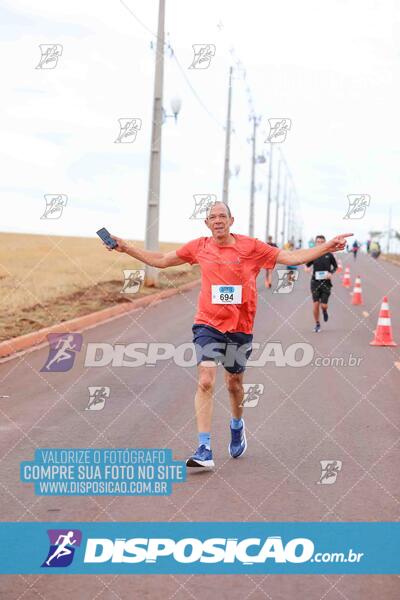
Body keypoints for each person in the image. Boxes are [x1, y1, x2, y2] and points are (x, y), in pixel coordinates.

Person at [103, 202, 351, 468]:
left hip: (240, 328)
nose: (218, 220)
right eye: (212, 217)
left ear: (232, 220)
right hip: (207, 324)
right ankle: (204, 448)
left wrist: (326, 246)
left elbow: (290, 258)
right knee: (206, 380)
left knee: (234, 384)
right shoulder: (199, 247)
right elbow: (163, 261)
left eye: (222, 216)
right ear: (207, 223)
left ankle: (236, 425)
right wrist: (125, 247)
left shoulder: (251, 247)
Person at [306, 235, 338, 333]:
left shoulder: (329, 254)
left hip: (326, 283)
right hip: (315, 282)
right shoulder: (313, 254)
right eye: (318, 242)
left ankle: (324, 311)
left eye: (321, 242)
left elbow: (335, 267)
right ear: (315, 243)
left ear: (325, 243)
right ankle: (317, 324)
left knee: (323, 305)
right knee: (315, 304)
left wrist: (330, 273)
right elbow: (307, 265)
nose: (320, 243)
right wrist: (306, 268)